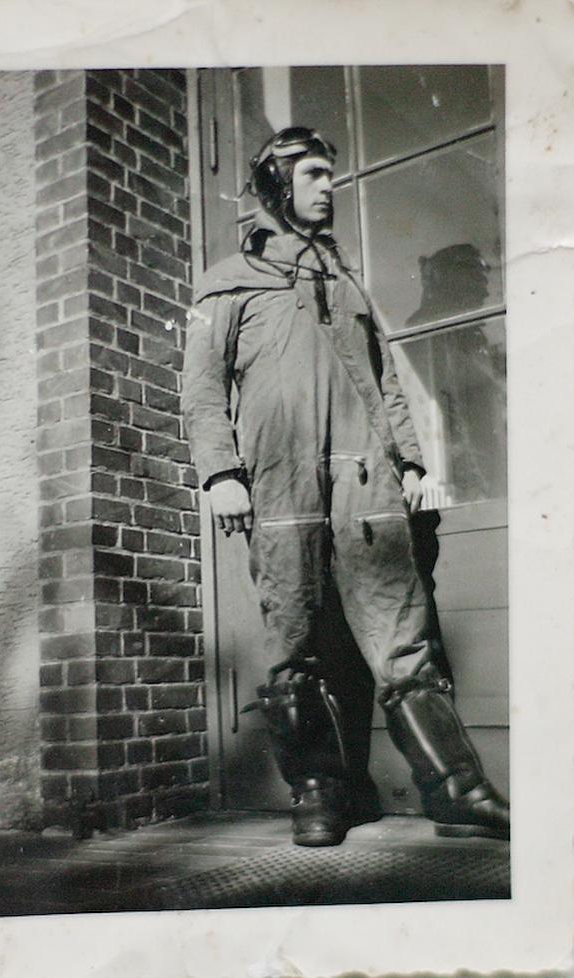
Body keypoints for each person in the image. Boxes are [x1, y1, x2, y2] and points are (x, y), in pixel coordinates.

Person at [181, 126, 509, 847]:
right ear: (276, 183)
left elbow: (386, 380)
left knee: (402, 635)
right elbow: (201, 387)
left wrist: (411, 461)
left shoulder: (348, 283)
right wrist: (220, 472)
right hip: (278, 483)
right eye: (313, 174)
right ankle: (321, 793)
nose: (328, 186)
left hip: (365, 477)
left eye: (330, 174)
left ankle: (456, 791)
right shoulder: (226, 281)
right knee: (291, 638)